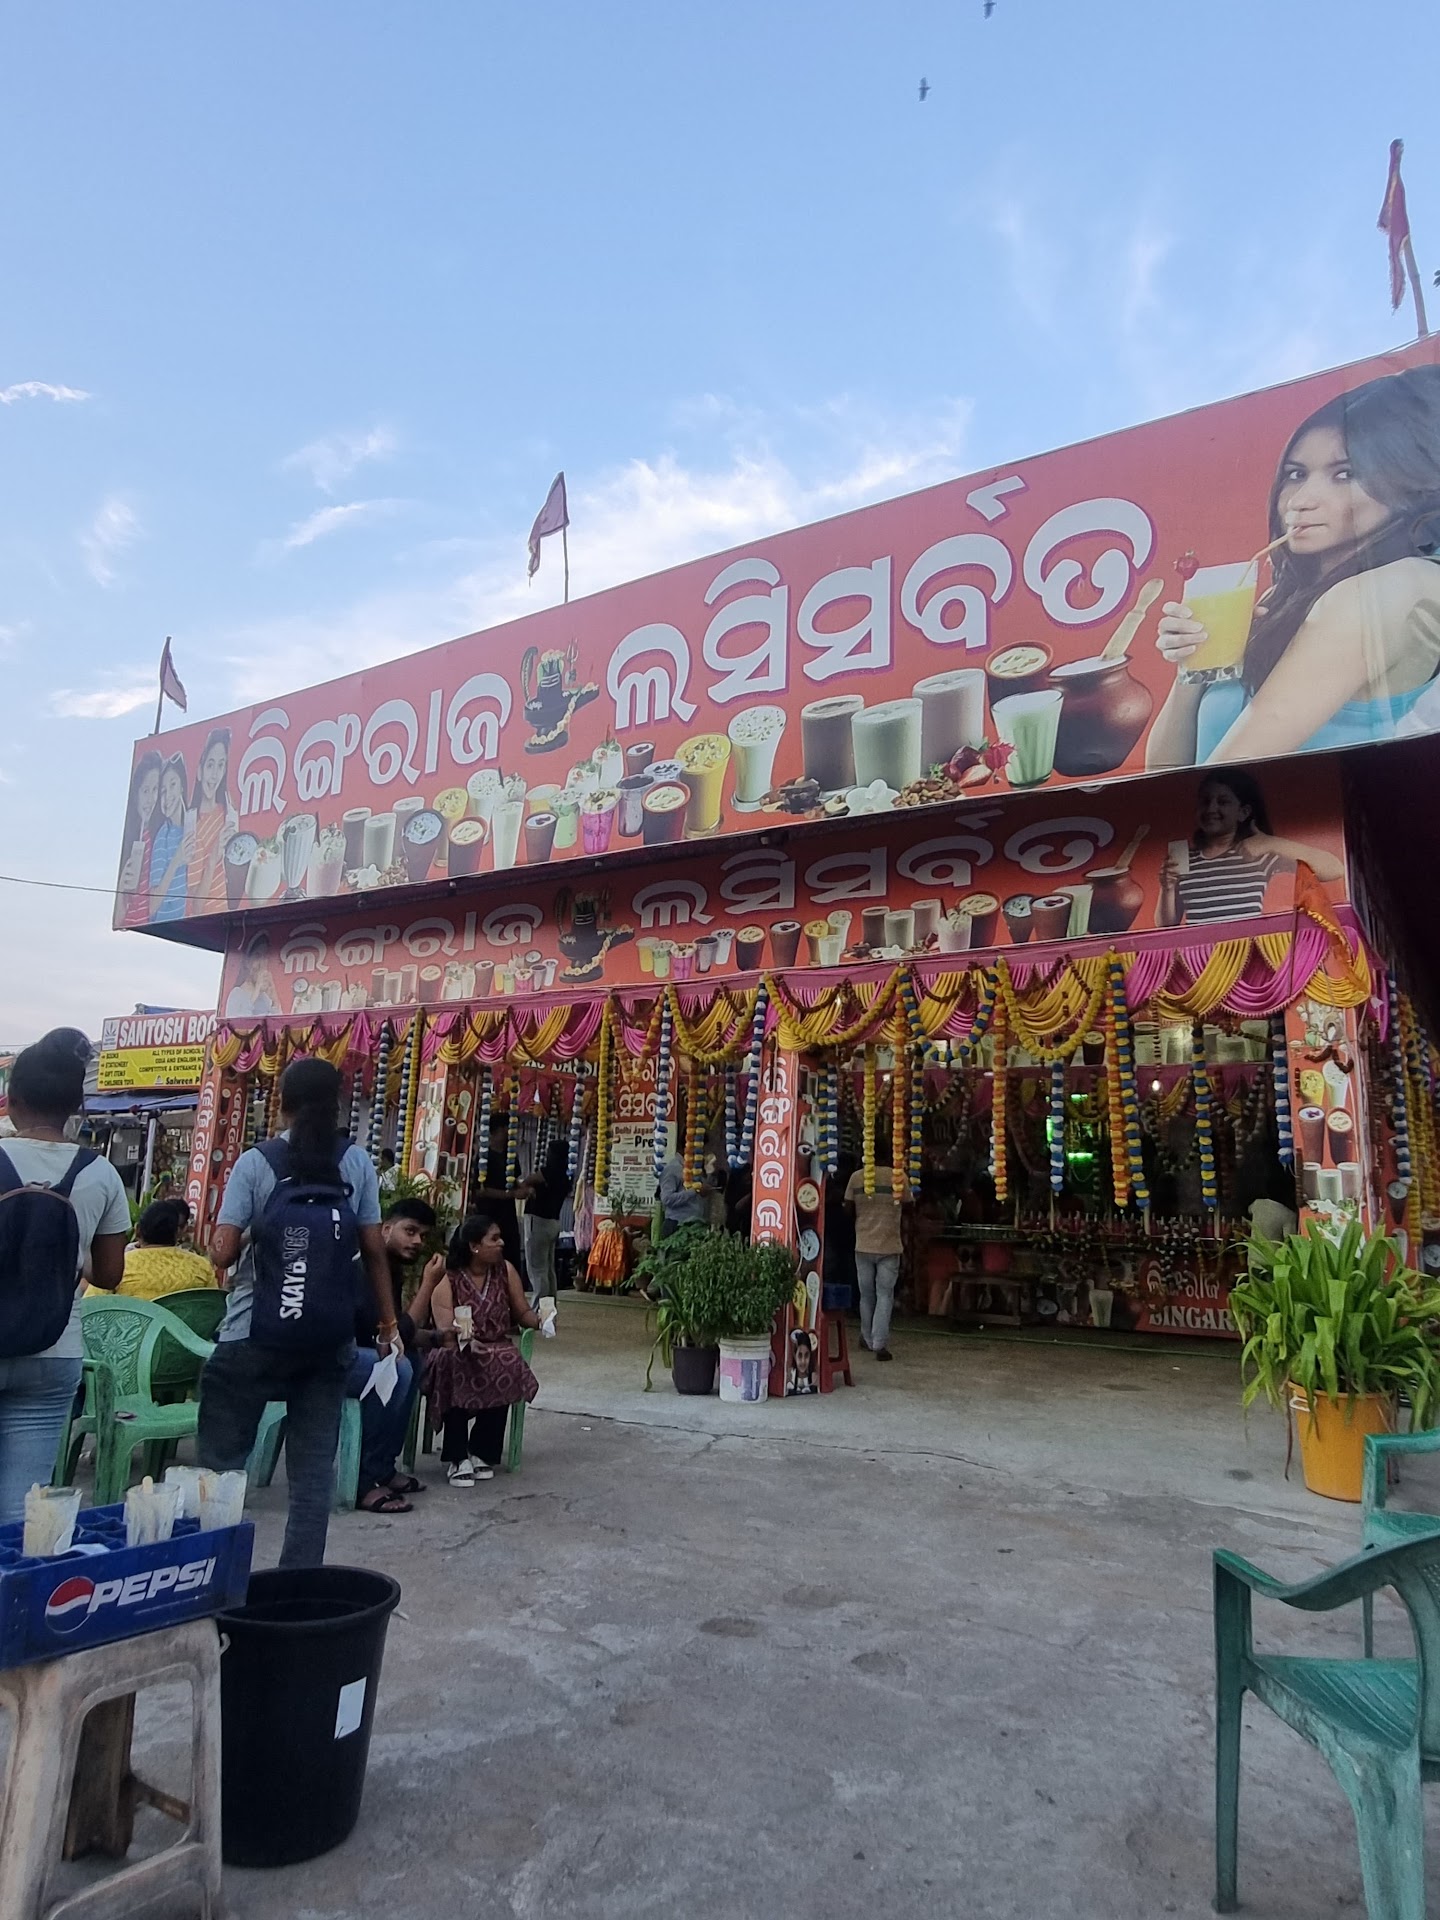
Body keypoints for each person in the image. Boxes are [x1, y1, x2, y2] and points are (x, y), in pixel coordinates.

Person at [1147, 365, 1440, 770]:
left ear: (1406, 479)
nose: (1301, 500)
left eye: (1345, 474)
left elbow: (1221, 783)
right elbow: (1161, 772)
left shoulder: (1392, 587)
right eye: (1296, 474)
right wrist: (1193, 668)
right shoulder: (1279, 599)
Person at [199, 1057, 400, 1566]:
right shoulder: (356, 1163)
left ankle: (214, 1577)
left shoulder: (256, 1162)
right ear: (337, 1104)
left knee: (221, 1469)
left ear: (281, 1103)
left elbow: (222, 1253)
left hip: (251, 1334)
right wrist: (388, 1325)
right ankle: (298, 1586)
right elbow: (374, 1251)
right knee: (311, 1481)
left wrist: (245, 1232)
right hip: (326, 1340)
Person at [0, 1030, 130, 1524]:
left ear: (13, 1100)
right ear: (76, 1105)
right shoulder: (101, 1173)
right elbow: (111, 1274)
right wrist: (69, 1257)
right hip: (55, 1350)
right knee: (22, 1508)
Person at [348, 1197, 446, 1514]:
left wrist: (437, 1337)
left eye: (423, 1236)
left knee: (412, 1359)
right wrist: (428, 1285)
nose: (417, 1241)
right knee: (396, 1368)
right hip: (335, 1356)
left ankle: (383, 1466)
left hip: (364, 1349)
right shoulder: (366, 1265)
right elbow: (395, 1332)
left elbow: (396, 1332)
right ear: (386, 1229)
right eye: (410, 1231)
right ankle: (362, 1478)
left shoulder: (390, 1268)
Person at [426, 1215, 540, 1487]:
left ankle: (482, 1450)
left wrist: (541, 1320)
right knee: (454, 1361)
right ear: (474, 1246)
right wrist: (465, 1340)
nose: (501, 1243)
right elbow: (444, 1326)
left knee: (506, 1359)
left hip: (495, 1343)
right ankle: (456, 1456)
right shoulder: (448, 1277)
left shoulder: (505, 1270)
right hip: (455, 1344)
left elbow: (522, 1312)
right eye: (494, 1239)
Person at [1155, 771, 1346, 928]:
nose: (1211, 808)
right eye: (1205, 801)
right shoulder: (1185, 860)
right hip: (1201, 959)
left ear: (1243, 812)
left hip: (1245, 953)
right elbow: (1166, 925)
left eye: (1223, 801)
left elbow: (1334, 869)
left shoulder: (1260, 853)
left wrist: (1272, 843)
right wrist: (1167, 888)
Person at [844, 1146, 910, 1362]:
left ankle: (867, 1337)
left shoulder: (856, 1177)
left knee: (866, 1295)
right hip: (889, 1246)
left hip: (863, 1244)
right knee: (885, 1295)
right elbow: (909, 1208)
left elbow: (847, 1209)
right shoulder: (899, 1177)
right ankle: (879, 1344)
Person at [85, 1198, 215, 1300]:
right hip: (184, 1328)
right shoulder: (201, 1267)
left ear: (137, 1230)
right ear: (178, 1233)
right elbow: (215, 1309)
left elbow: (91, 1305)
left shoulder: (119, 1266)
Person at [186, 728, 235, 917]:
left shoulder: (228, 812)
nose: (215, 775)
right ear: (199, 771)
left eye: (221, 765)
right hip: (211, 921)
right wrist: (213, 858)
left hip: (236, 914)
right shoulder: (193, 827)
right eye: (210, 765)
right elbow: (195, 908)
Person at [471, 1113, 525, 1277]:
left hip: (508, 1215)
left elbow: (515, 1181)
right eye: (507, 1129)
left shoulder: (511, 1156)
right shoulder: (483, 1157)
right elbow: (481, 1190)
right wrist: (511, 1194)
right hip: (488, 1214)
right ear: (497, 1131)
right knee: (489, 1252)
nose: (510, 1134)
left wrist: (525, 1188)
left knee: (510, 1253)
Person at [519, 1138, 570, 1304]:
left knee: (537, 1269)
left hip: (538, 1222)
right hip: (553, 1223)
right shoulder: (565, 1177)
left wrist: (529, 1189)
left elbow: (526, 1181)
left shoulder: (547, 1172)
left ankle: (537, 1309)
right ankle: (549, 1308)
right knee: (548, 1269)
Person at [116, 750, 162, 927]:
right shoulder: (132, 840)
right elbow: (119, 920)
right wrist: (121, 888)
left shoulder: (159, 836)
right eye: (145, 791)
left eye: (155, 790)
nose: (150, 799)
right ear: (136, 795)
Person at [147, 754, 193, 925]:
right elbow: (152, 906)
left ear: (182, 787)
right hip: (168, 922)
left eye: (172, 785)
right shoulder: (163, 836)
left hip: (191, 921)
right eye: (163, 791)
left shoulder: (192, 827)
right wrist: (176, 861)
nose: (167, 796)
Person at [659, 1152, 713, 1238]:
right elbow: (667, 1199)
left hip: (696, 1224)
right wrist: (694, 1191)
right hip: (677, 1224)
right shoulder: (673, 1169)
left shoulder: (695, 1168)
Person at [223, 936, 280, 1019]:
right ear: (247, 961)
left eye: (265, 957)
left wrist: (274, 998)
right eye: (257, 956)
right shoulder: (237, 994)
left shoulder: (265, 998)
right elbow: (238, 1024)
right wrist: (255, 993)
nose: (261, 964)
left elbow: (278, 1023)